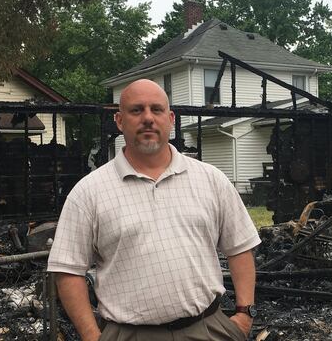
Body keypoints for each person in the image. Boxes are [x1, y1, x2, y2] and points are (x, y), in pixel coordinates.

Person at [48, 79, 261, 341]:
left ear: (170, 119)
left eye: (156, 109)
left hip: (209, 329)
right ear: (119, 121)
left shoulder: (211, 180)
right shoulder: (88, 193)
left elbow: (240, 247)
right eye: (136, 110)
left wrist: (245, 313)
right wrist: (92, 336)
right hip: (129, 334)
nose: (148, 118)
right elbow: (68, 271)